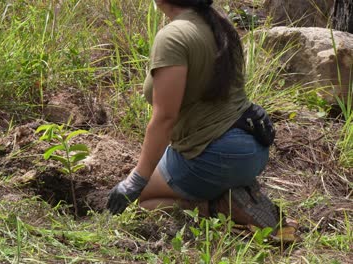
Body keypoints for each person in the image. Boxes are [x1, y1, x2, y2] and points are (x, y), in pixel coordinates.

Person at [106, 0, 296, 239]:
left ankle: (219, 207)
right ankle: (233, 191)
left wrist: (135, 180)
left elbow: (165, 117)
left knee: (140, 201)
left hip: (213, 157)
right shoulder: (218, 21)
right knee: (161, 166)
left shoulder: (173, 36)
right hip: (253, 150)